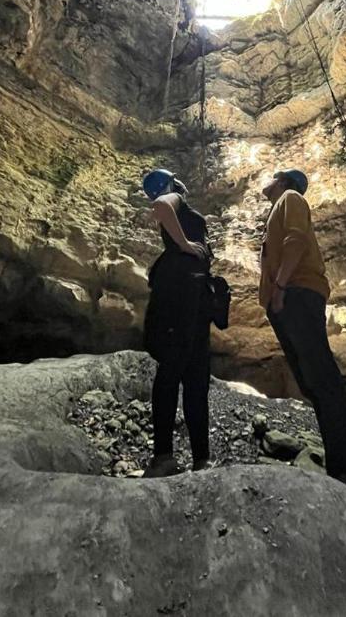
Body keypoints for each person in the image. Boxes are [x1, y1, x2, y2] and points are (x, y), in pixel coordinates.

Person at [259, 169, 346, 490]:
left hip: (297, 293)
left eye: (273, 176)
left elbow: (296, 239)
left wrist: (279, 286)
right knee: (313, 383)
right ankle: (341, 467)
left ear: (284, 182)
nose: (268, 181)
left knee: (322, 378)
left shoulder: (291, 198)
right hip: (289, 297)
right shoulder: (280, 205)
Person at [141, 168, 212, 478]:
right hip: (182, 301)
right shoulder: (175, 198)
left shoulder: (181, 205)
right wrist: (184, 244)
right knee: (176, 375)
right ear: (170, 183)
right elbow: (160, 208)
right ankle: (178, 457)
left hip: (191, 301)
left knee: (192, 377)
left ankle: (186, 458)